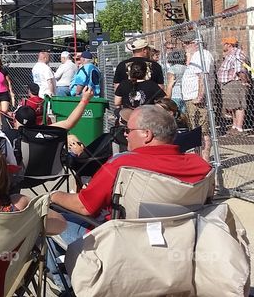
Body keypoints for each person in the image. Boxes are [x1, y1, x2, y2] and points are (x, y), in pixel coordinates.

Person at [48, 105, 211, 289]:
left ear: (147, 134)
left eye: (128, 130)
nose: (125, 135)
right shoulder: (201, 167)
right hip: (180, 244)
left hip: (119, 243)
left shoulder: (122, 165)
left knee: (43, 218)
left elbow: (84, 206)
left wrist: (53, 196)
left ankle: (68, 286)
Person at [181, 34, 214, 160]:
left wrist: (200, 96)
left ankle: (204, 161)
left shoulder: (202, 54)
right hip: (191, 98)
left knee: (203, 131)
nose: (185, 46)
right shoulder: (195, 55)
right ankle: (198, 158)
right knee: (195, 131)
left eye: (187, 43)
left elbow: (202, 75)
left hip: (197, 98)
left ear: (195, 43)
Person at [217, 36, 249, 135]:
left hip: (234, 83)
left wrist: (243, 81)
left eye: (224, 44)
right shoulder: (230, 54)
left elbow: (240, 69)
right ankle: (234, 126)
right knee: (233, 106)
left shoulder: (237, 53)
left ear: (229, 45)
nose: (223, 45)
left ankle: (239, 128)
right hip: (228, 84)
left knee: (238, 106)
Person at [164, 49, 187, 113]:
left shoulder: (172, 69)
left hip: (174, 94)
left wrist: (167, 96)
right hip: (185, 94)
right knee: (184, 114)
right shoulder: (186, 68)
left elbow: (170, 84)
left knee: (175, 114)